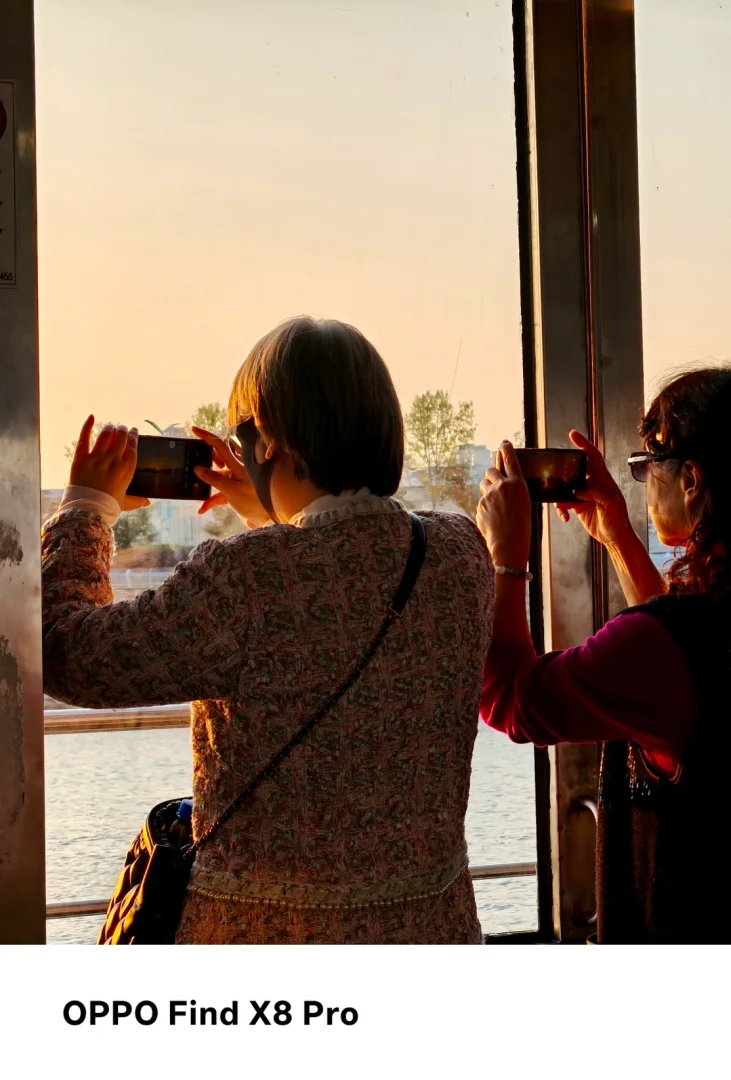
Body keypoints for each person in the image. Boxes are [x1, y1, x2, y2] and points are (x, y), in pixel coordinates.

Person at [42, 316, 493, 944]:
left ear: (269, 442)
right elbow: (340, 589)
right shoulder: (460, 552)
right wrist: (273, 513)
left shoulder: (245, 578)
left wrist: (86, 507)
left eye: (243, 435)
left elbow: (72, 656)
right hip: (433, 933)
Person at [477, 367, 731, 943]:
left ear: (691, 479)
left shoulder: (670, 643)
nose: (643, 481)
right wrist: (616, 533)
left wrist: (507, 560)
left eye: (647, 465)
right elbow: (690, 663)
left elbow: (510, 701)